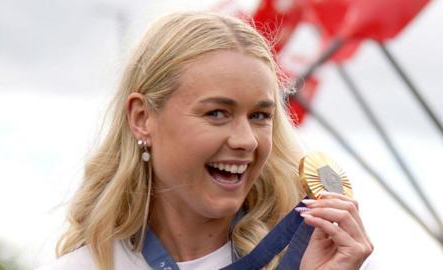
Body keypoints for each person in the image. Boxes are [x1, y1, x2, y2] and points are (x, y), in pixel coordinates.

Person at [37, 12, 372, 270]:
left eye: (259, 116)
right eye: (216, 113)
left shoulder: (303, 258)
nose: (246, 141)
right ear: (141, 118)